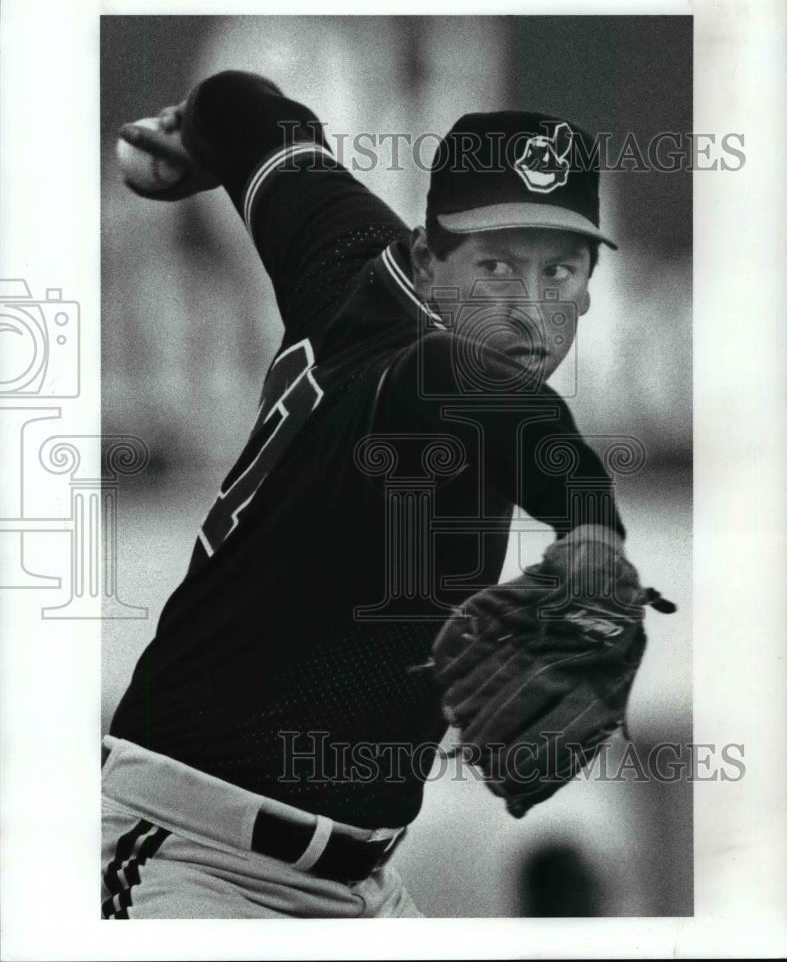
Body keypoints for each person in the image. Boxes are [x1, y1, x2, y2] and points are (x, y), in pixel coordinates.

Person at [102, 69, 629, 919]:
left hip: (360, 890)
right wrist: (592, 534)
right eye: (495, 265)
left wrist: (196, 133)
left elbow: (251, 111)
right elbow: (496, 405)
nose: (531, 314)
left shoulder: (349, 251)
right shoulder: (416, 373)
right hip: (191, 861)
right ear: (428, 259)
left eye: (559, 272)